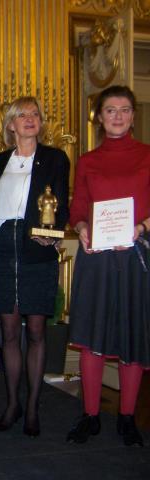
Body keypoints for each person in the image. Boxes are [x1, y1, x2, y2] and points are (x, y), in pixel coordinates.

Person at [66, 85, 150, 447]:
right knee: (92, 333)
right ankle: (90, 415)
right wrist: (82, 229)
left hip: (135, 254)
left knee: (133, 332)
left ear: (133, 115)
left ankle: (128, 417)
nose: (118, 115)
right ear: (99, 117)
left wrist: (141, 227)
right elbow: (78, 210)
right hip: (97, 255)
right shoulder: (87, 160)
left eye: (125, 109)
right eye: (110, 110)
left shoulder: (148, 156)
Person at [0, 96, 69, 437]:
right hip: (3, 248)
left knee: (36, 330)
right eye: (21, 115)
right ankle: (12, 403)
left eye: (34, 114)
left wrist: (53, 234)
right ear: (10, 125)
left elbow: (61, 201)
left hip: (37, 248)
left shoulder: (54, 158)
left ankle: (33, 406)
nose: (29, 118)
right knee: (8, 331)